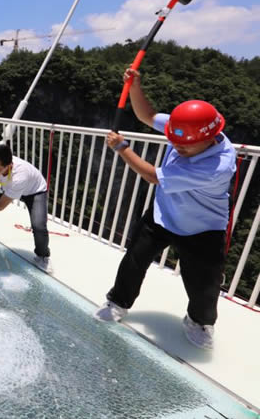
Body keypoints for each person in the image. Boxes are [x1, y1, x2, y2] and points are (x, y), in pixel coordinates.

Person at [93, 68, 235, 350]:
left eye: (185, 146)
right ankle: (118, 301)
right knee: (134, 261)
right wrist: (135, 85)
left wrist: (122, 148)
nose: (177, 147)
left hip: (202, 227)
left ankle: (199, 322)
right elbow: (147, 115)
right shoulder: (188, 129)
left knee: (204, 285)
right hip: (163, 214)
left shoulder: (217, 166)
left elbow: (153, 176)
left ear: (208, 138)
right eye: (175, 141)